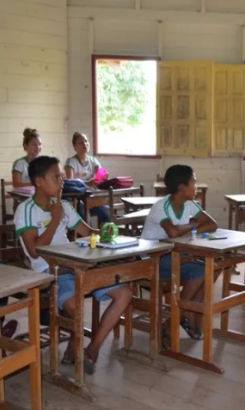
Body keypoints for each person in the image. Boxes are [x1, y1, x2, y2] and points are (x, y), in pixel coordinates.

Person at [14, 156, 133, 374]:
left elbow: (88, 233)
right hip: (51, 272)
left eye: (61, 176)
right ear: (39, 182)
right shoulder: (26, 210)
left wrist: (106, 234)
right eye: (56, 177)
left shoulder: (65, 206)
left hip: (78, 265)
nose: (62, 181)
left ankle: (92, 350)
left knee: (124, 293)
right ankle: (73, 344)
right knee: (73, 305)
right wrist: (55, 219)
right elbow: (34, 251)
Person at [141, 164, 218, 347]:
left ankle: (181, 316)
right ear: (183, 188)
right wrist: (193, 226)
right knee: (202, 270)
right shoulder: (161, 207)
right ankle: (180, 317)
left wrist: (191, 226)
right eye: (193, 182)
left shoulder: (189, 205)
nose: (196, 186)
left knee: (213, 268)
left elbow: (212, 224)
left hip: (174, 254)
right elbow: (173, 233)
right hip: (152, 259)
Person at [65, 132, 109, 224]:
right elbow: (70, 184)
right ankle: (88, 235)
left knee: (107, 213)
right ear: (75, 146)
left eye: (86, 141)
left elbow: (100, 175)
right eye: (80, 143)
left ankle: (106, 235)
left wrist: (103, 177)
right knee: (82, 210)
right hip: (78, 198)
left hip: (93, 197)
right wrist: (87, 183)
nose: (85, 144)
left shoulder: (93, 160)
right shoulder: (71, 162)